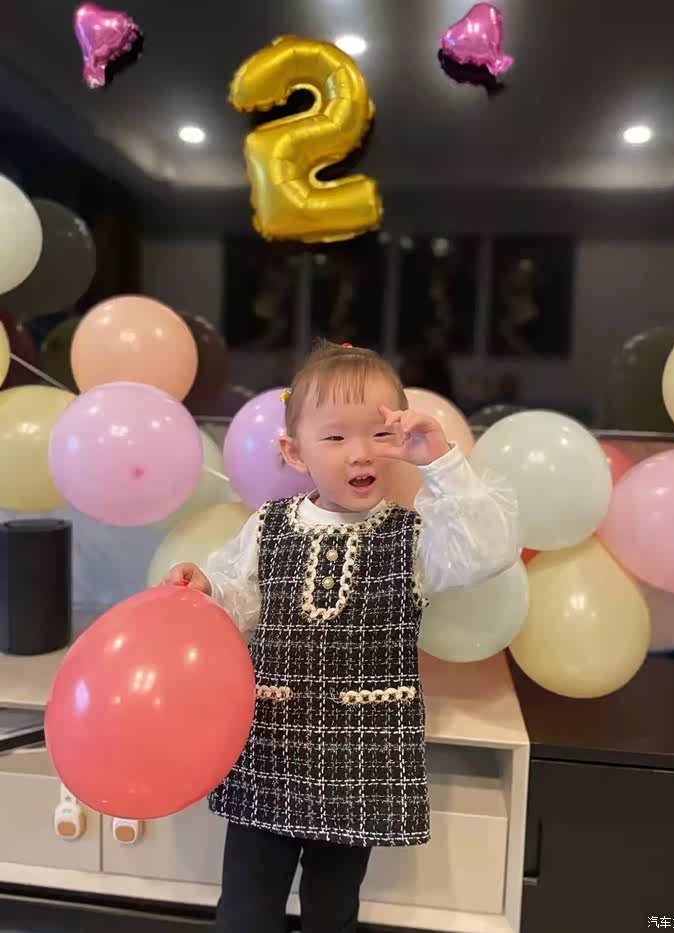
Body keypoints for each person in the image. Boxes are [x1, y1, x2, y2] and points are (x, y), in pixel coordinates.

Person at [160, 342, 519, 933]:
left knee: (333, 909)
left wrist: (442, 463)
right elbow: (235, 598)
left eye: (379, 434)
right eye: (335, 437)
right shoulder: (269, 525)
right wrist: (204, 588)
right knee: (246, 905)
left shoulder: (415, 537)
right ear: (293, 452)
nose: (361, 452)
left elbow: (487, 552)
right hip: (270, 745)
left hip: (363, 754)